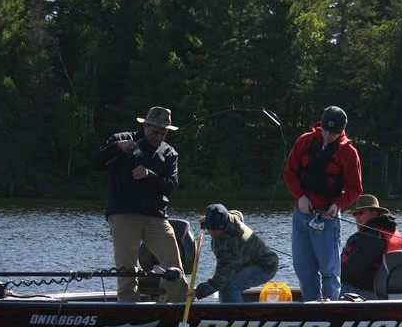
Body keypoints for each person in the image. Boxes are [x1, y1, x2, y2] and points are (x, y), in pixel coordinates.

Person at [89, 106, 189, 302]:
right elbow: (95, 163)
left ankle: (180, 304)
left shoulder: (169, 153)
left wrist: (149, 175)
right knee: (126, 266)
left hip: (156, 216)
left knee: (173, 262)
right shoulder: (121, 140)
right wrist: (116, 148)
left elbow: (170, 186)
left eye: (163, 132)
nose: (159, 136)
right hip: (123, 213)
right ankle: (128, 305)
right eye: (155, 131)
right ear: (146, 125)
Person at [283, 106, 363, 301]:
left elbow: (355, 189)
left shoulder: (349, 153)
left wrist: (337, 205)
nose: (328, 135)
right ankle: (311, 307)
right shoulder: (305, 141)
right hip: (301, 216)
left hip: (327, 218)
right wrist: (300, 196)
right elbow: (289, 172)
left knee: (329, 270)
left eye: (333, 132)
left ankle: (330, 309)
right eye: (326, 130)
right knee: (304, 268)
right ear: (321, 126)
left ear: (341, 131)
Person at [192, 204, 279, 303]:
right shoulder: (231, 218)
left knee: (228, 286)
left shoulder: (229, 245)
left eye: (216, 229)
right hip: (246, 261)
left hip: (265, 266)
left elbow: (220, 280)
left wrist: (198, 292)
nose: (213, 232)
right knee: (226, 284)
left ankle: (236, 316)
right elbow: (238, 213)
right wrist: (208, 219)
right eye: (210, 228)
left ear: (223, 226)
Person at [340, 194, 402, 299]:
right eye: (355, 214)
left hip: (365, 292)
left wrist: (334, 270)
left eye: (361, 213)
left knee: (329, 286)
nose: (357, 217)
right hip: (384, 291)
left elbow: (351, 275)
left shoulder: (368, 238)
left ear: (374, 214)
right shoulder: (389, 233)